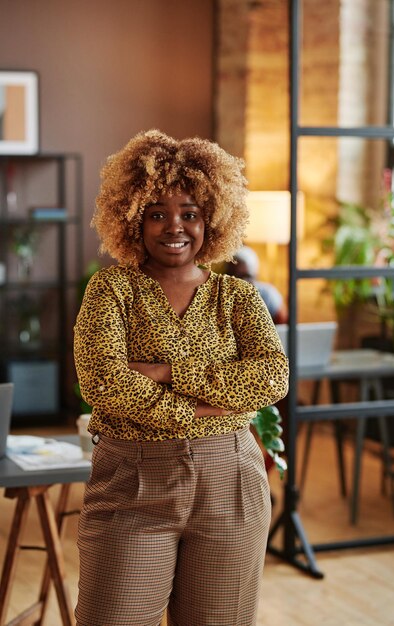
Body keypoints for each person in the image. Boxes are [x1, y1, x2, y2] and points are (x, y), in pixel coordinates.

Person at [73, 129, 289, 626]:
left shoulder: (237, 297)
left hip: (230, 481)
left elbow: (272, 377)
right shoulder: (111, 291)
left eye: (190, 213)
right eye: (157, 213)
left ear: (211, 218)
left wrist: (170, 372)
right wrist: (207, 406)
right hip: (133, 482)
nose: (175, 227)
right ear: (132, 220)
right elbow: (104, 383)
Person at [226, 245, 288, 324]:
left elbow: (283, 326)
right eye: (237, 276)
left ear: (256, 275)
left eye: (248, 276)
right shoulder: (222, 296)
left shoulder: (267, 294)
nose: (243, 281)